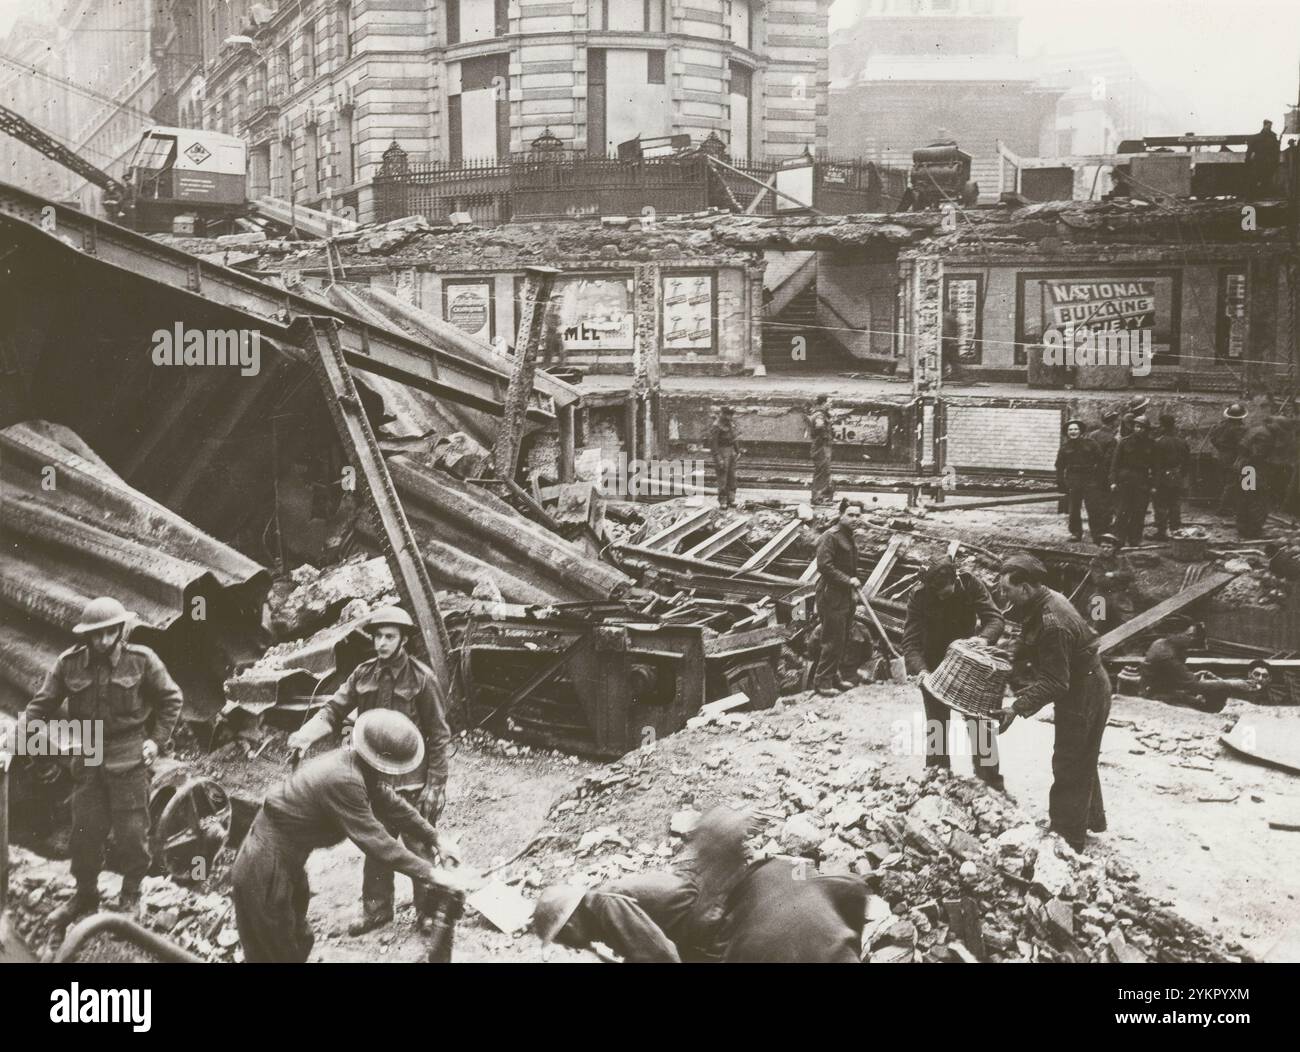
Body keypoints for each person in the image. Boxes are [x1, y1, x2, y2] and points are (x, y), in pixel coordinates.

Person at [232, 710, 461, 963]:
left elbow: (391, 804)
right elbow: (377, 842)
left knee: (298, 938)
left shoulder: (356, 766)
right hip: (266, 864)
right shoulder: (345, 781)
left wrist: (435, 838)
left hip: (284, 861)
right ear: (381, 761)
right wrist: (430, 873)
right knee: (275, 951)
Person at [286, 606, 451, 936]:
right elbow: (333, 711)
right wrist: (305, 734)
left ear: (403, 639)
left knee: (419, 846)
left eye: (390, 637)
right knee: (376, 844)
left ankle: (428, 913)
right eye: (377, 636)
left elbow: (439, 734)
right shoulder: (363, 675)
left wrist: (436, 784)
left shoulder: (421, 678)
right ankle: (377, 911)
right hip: (374, 778)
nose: (382, 643)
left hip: (412, 780)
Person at [25, 597, 184, 926]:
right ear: (87, 635)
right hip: (90, 749)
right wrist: (27, 738)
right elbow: (41, 705)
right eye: (96, 635)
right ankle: (85, 896)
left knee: (131, 833)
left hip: (129, 751)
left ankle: (130, 896)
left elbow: (171, 697)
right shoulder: (69, 664)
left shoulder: (141, 660)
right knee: (84, 833)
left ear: (120, 630)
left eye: (109, 633)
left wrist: (156, 741)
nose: (103, 641)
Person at [532, 806, 754, 963]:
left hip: (701, 916)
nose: (571, 946)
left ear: (570, 925)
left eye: (564, 939)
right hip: (694, 915)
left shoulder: (605, 905)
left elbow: (657, 954)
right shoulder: (599, 909)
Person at [994, 555, 1110, 854]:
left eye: (1007, 590)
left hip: (1084, 690)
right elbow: (1029, 641)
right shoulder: (1044, 600)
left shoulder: (1053, 622)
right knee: (1082, 754)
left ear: (1027, 588)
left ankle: (1066, 839)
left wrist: (1016, 707)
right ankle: (1090, 820)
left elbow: (1056, 682)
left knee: (1069, 761)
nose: (1002, 595)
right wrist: (1007, 655)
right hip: (1085, 682)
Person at [900, 556, 1006, 787]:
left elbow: (995, 619)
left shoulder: (970, 584)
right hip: (934, 665)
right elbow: (910, 643)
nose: (939, 597)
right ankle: (937, 780)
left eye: (944, 593)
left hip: (970, 663)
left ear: (955, 579)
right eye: (935, 592)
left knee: (980, 727)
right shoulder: (920, 595)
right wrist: (921, 672)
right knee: (936, 727)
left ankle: (991, 785)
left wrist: (984, 639)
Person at [1140, 623, 1257, 714]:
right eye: (1189, 635)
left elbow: (1170, 676)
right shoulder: (1167, 655)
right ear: (1175, 633)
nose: (1192, 639)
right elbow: (1194, 686)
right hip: (1158, 696)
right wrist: (1231, 683)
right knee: (1209, 704)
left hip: (1161, 689)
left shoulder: (1161, 643)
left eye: (1193, 635)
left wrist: (1192, 676)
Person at [813, 499, 865, 696]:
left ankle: (834, 677)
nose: (854, 519)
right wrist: (848, 580)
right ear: (841, 515)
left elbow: (849, 565)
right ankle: (822, 682)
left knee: (843, 638)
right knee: (832, 640)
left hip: (845, 596)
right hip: (830, 595)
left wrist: (852, 585)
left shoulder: (849, 536)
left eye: (858, 515)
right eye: (850, 515)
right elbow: (824, 566)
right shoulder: (831, 536)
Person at [1055, 418, 1107, 542]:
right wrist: (1061, 483)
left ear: (1081, 431)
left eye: (1076, 429)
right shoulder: (1064, 448)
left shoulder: (1091, 444)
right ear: (1067, 432)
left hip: (1090, 479)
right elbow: (1059, 466)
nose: (1073, 432)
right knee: (1074, 508)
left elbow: (1101, 461)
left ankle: (1097, 534)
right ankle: (1076, 533)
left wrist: (1099, 479)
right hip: (1073, 479)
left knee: (1093, 508)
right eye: (1070, 430)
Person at [1109, 414, 1156, 547]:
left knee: (1139, 512)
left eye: (1142, 427)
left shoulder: (1151, 444)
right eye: (1137, 426)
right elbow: (1115, 464)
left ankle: (1135, 539)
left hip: (1142, 482)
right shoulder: (1124, 442)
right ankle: (1118, 539)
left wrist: (1154, 485)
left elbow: (1156, 466)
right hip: (1124, 482)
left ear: (1146, 429)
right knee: (1122, 512)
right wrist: (1112, 481)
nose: (1139, 429)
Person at [1079, 533, 1137, 633]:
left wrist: (1113, 574)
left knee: (1127, 623)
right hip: (1102, 594)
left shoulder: (1122, 560)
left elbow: (1131, 574)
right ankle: (1094, 637)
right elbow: (1100, 581)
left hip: (1120, 594)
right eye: (1103, 547)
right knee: (1096, 621)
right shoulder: (1096, 562)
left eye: (1109, 547)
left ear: (1114, 548)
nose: (1105, 549)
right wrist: (1121, 579)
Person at [1233, 415, 1275, 539]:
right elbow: (1258, 454)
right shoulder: (1265, 435)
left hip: (1245, 466)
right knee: (1255, 498)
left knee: (1246, 496)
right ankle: (1253, 530)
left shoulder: (1257, 430)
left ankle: (1243, 527)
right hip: (1251, 468)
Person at [1151, 414, 1191, 540]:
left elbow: (1155, 464)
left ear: (1162, 426)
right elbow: (1187, 462)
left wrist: (1154, 482)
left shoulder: (1158, 442)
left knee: (1160, 504)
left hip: (1162, 477)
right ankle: (1175, 530)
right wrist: (1181, 475)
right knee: (1175, 503)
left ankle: (1161, 532)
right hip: (1177, 476)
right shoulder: (1182, 441)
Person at [1210, 403, 1248, 514]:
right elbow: (1242, 444)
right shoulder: (1238, 429)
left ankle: (1227, 505)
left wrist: (1221, 447)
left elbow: (1213, 439)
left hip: (1220, 455)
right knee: (1232, 482)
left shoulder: (1220, 425)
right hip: (1232, 457)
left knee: (1225, 481)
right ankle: (1223, 508)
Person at [710, 405, 741, 509]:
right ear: (722, 414)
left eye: (731, 415)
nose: (730, 417)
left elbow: (734, 437)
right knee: (723, 477)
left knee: (732, 477)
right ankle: (723, 500)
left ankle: (731, 499)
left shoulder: (730, 424)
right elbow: (714, 444)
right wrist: (718, 458)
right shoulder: (717, 426)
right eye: (728, 414)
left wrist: (737, 450)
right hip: (722, 451)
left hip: (731, 450)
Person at [808, 394, 834, 504]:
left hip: (821, 446)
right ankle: (818, 498)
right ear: (823, 403)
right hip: (821, 447)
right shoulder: (819, 415)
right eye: (829, 402)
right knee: (822, 472)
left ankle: (822, 497)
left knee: (824, 472)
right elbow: (819, 426)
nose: (831, 404)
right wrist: (825, 435)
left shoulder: (819, 414)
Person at [1245, 119, 1281, 197]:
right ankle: (1255, 194)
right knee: (1257, 177)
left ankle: (1262, 194)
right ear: (1264, 125)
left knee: (1266, 177)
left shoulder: (1272, 136)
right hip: (1260, 160)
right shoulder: (1257, 137)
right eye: (1268, 125)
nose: (1270, 127)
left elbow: (1276, 149)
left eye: (1270, 126)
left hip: (1268, 161)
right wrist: (1248, 159)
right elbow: (1251, 149)